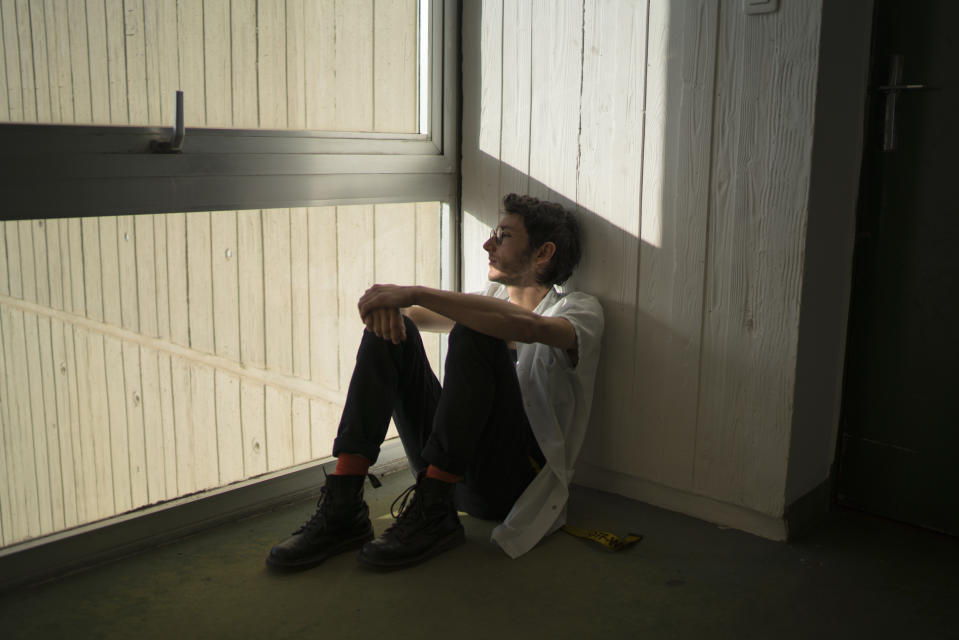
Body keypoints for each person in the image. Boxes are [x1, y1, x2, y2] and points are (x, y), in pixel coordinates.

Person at [266, 193, 604, 571]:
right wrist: (387, 308)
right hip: (451, 476)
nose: (487, 244)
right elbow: (412, 314)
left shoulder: (579, 310)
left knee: (476, 331)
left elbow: (527, 327)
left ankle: (436, 512)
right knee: (396, 332)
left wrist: (413, 292)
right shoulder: (485, 300)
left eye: (504, 236)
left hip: (511, 484)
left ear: (543, 254)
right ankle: (345, 502)